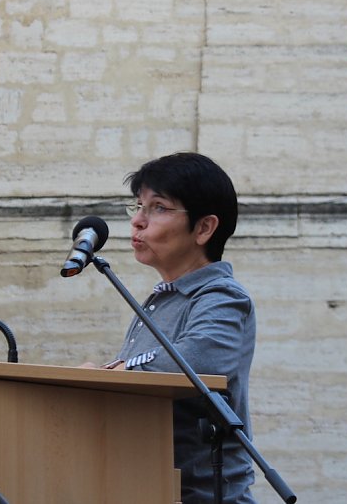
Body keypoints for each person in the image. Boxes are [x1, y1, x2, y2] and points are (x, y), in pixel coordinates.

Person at [101, 152, 257, 504]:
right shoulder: (161, 301)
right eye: (138, 206)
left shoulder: (220, 296)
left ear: (204, 228)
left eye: (158, 208)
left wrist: (118, 370)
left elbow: (195, 361)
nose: (137, 221)